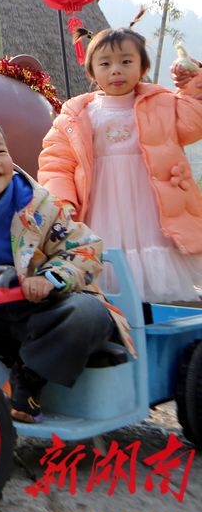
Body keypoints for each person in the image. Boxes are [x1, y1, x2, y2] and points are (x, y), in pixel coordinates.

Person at [0, 115, 134, 423]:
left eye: (0, 151)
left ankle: (28, 378)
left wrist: (51, 279)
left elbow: (85, 249)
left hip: (39, 314)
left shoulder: (41, 209)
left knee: (89, 312)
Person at [39, 24, 202, 306]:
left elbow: (194, 122)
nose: (116, 70)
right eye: (105, 63)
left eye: (126, 61)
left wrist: (192, 82)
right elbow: (56, 163)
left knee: (158, 277)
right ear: (92, 72)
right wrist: (62, 201)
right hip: (101, 206)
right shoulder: (76, 115)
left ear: (142, 67)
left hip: (152, 205)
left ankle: (152, 329)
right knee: (107, 275)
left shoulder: (162, 103)